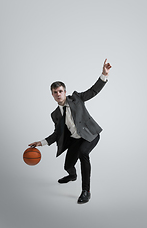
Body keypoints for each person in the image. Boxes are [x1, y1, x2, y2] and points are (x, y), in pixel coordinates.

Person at [29, 59, 112, 204]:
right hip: (75, 139)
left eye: (60, 91)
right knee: (67, 165)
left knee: (83, 153)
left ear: (65, 92)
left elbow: (93, 91)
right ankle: (72, 176)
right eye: (55, 92)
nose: (58, 94)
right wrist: (41, 143)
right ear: (52, 95)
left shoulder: (77, 98)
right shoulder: (55, 114)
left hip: (90, 134)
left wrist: (103, 75)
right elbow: (57, 134)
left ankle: (86, 191)